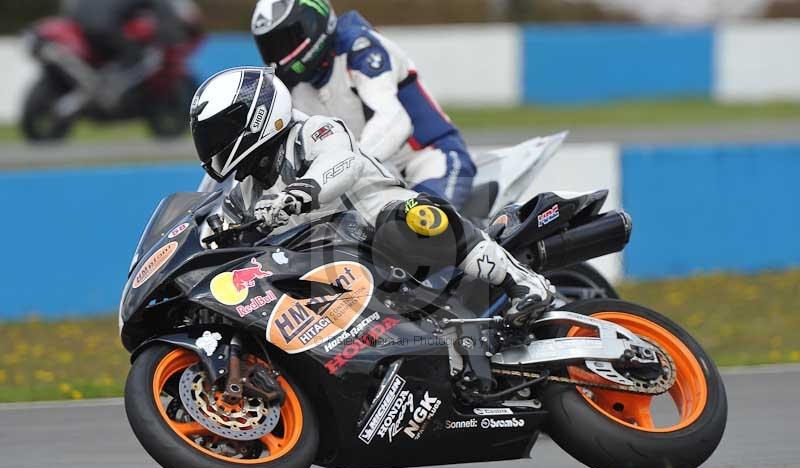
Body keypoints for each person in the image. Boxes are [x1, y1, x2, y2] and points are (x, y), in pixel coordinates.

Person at [190, 67, 554, 393]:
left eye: (219, 131)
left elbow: (341, 162)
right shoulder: (245, 192)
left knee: (411, 219)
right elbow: (219, 234)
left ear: (256, 119)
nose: (213, 144)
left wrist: (302, 191)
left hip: (378, 233)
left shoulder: (314, 131)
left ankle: (522, 281)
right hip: (332, 269)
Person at [249, 0, 476, 209]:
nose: (280, 54)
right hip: (371, 175)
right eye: (271, 46)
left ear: (313, 24)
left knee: (427, 229)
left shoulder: (360, 47)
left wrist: (345, 166)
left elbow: (393, 120)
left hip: (430, 157)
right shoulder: (290, 86)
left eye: (287, 39)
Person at [62, 0, 197, 105]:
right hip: (105, 29)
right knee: (134, 56)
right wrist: (172, 36)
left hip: (81, 28)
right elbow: (165, 14)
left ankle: (107, 81)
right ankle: (113, 87)